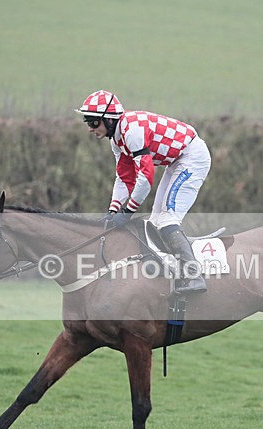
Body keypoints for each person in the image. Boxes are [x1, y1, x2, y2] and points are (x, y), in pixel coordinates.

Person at [75, 90, 211, 294]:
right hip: (176, 161)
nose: (89, 128)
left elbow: (146, 179)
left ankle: (194, 276)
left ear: (109, 120)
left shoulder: (132, 132)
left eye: (93, 122)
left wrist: (127, 212)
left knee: (167, 219)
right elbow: (124, 178)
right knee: (156, 221)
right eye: (87, 121)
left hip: (192, 157)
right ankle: (171, 270)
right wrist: (113, 210)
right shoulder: (116, 140)